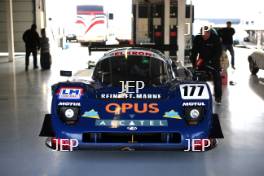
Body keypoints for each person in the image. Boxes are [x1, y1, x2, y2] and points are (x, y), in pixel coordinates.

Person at [190, 26, 223, 104]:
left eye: (205, 35)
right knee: (199, 77)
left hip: (214, 60)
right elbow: (194, 52)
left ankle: (218, 97)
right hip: (202, 59)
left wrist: (211, 62)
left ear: (209, 33)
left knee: (217, 78)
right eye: (202, 35)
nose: (204, 36)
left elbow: (218, 52)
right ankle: (201, 96)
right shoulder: (198, 39)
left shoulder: (215, 38)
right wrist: (194, 63)